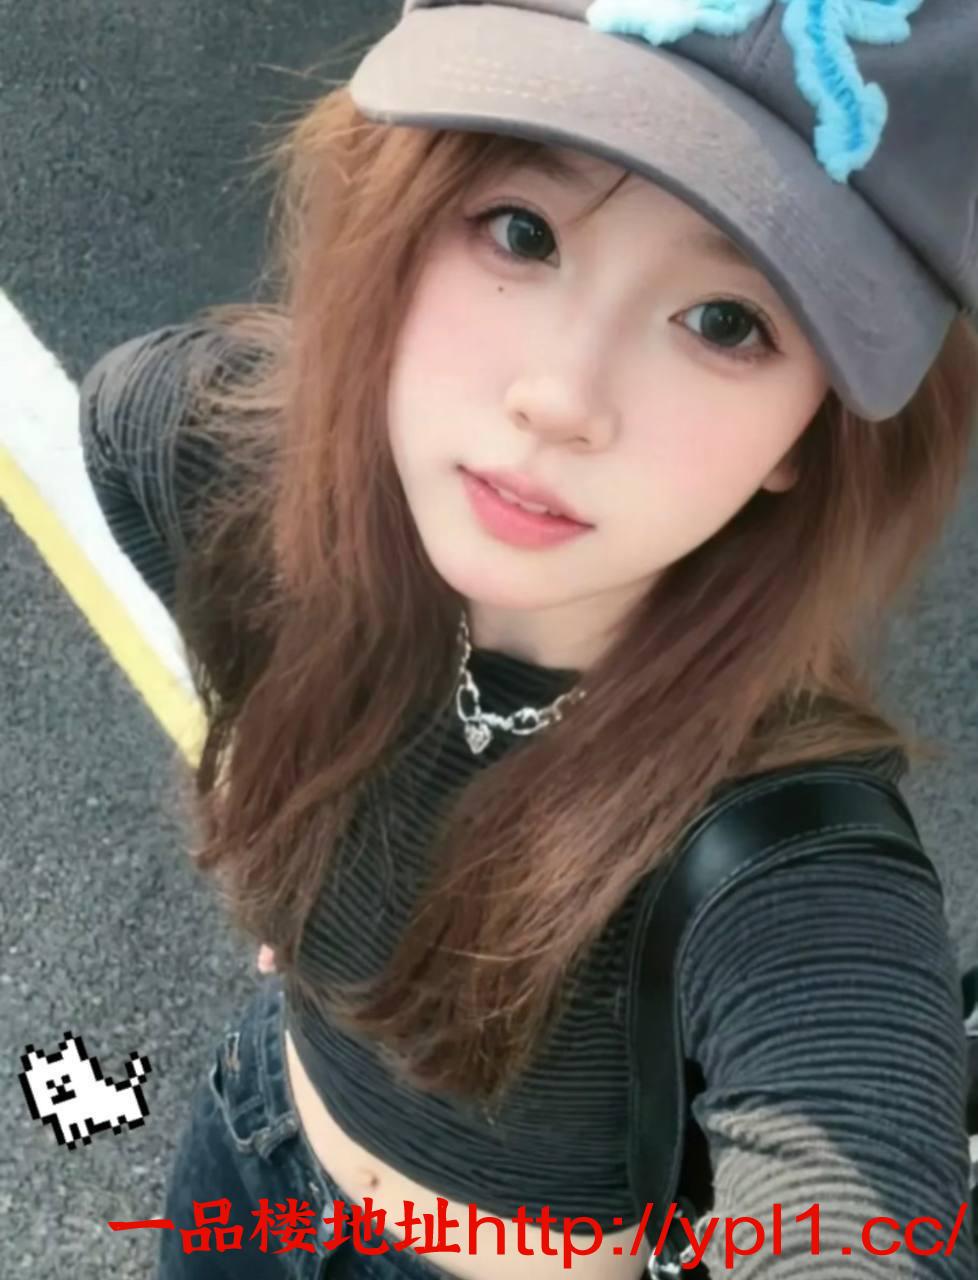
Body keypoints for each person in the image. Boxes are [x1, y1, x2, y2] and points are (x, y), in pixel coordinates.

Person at [78, 0, 978, 1275]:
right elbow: (127, 432)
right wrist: (281, 775)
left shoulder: (788, 854)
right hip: (251, 1151)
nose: (561, 397)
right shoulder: (238, 469)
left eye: (728, 321)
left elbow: (856, 1183)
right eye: (522, 230)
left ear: (811, 432)